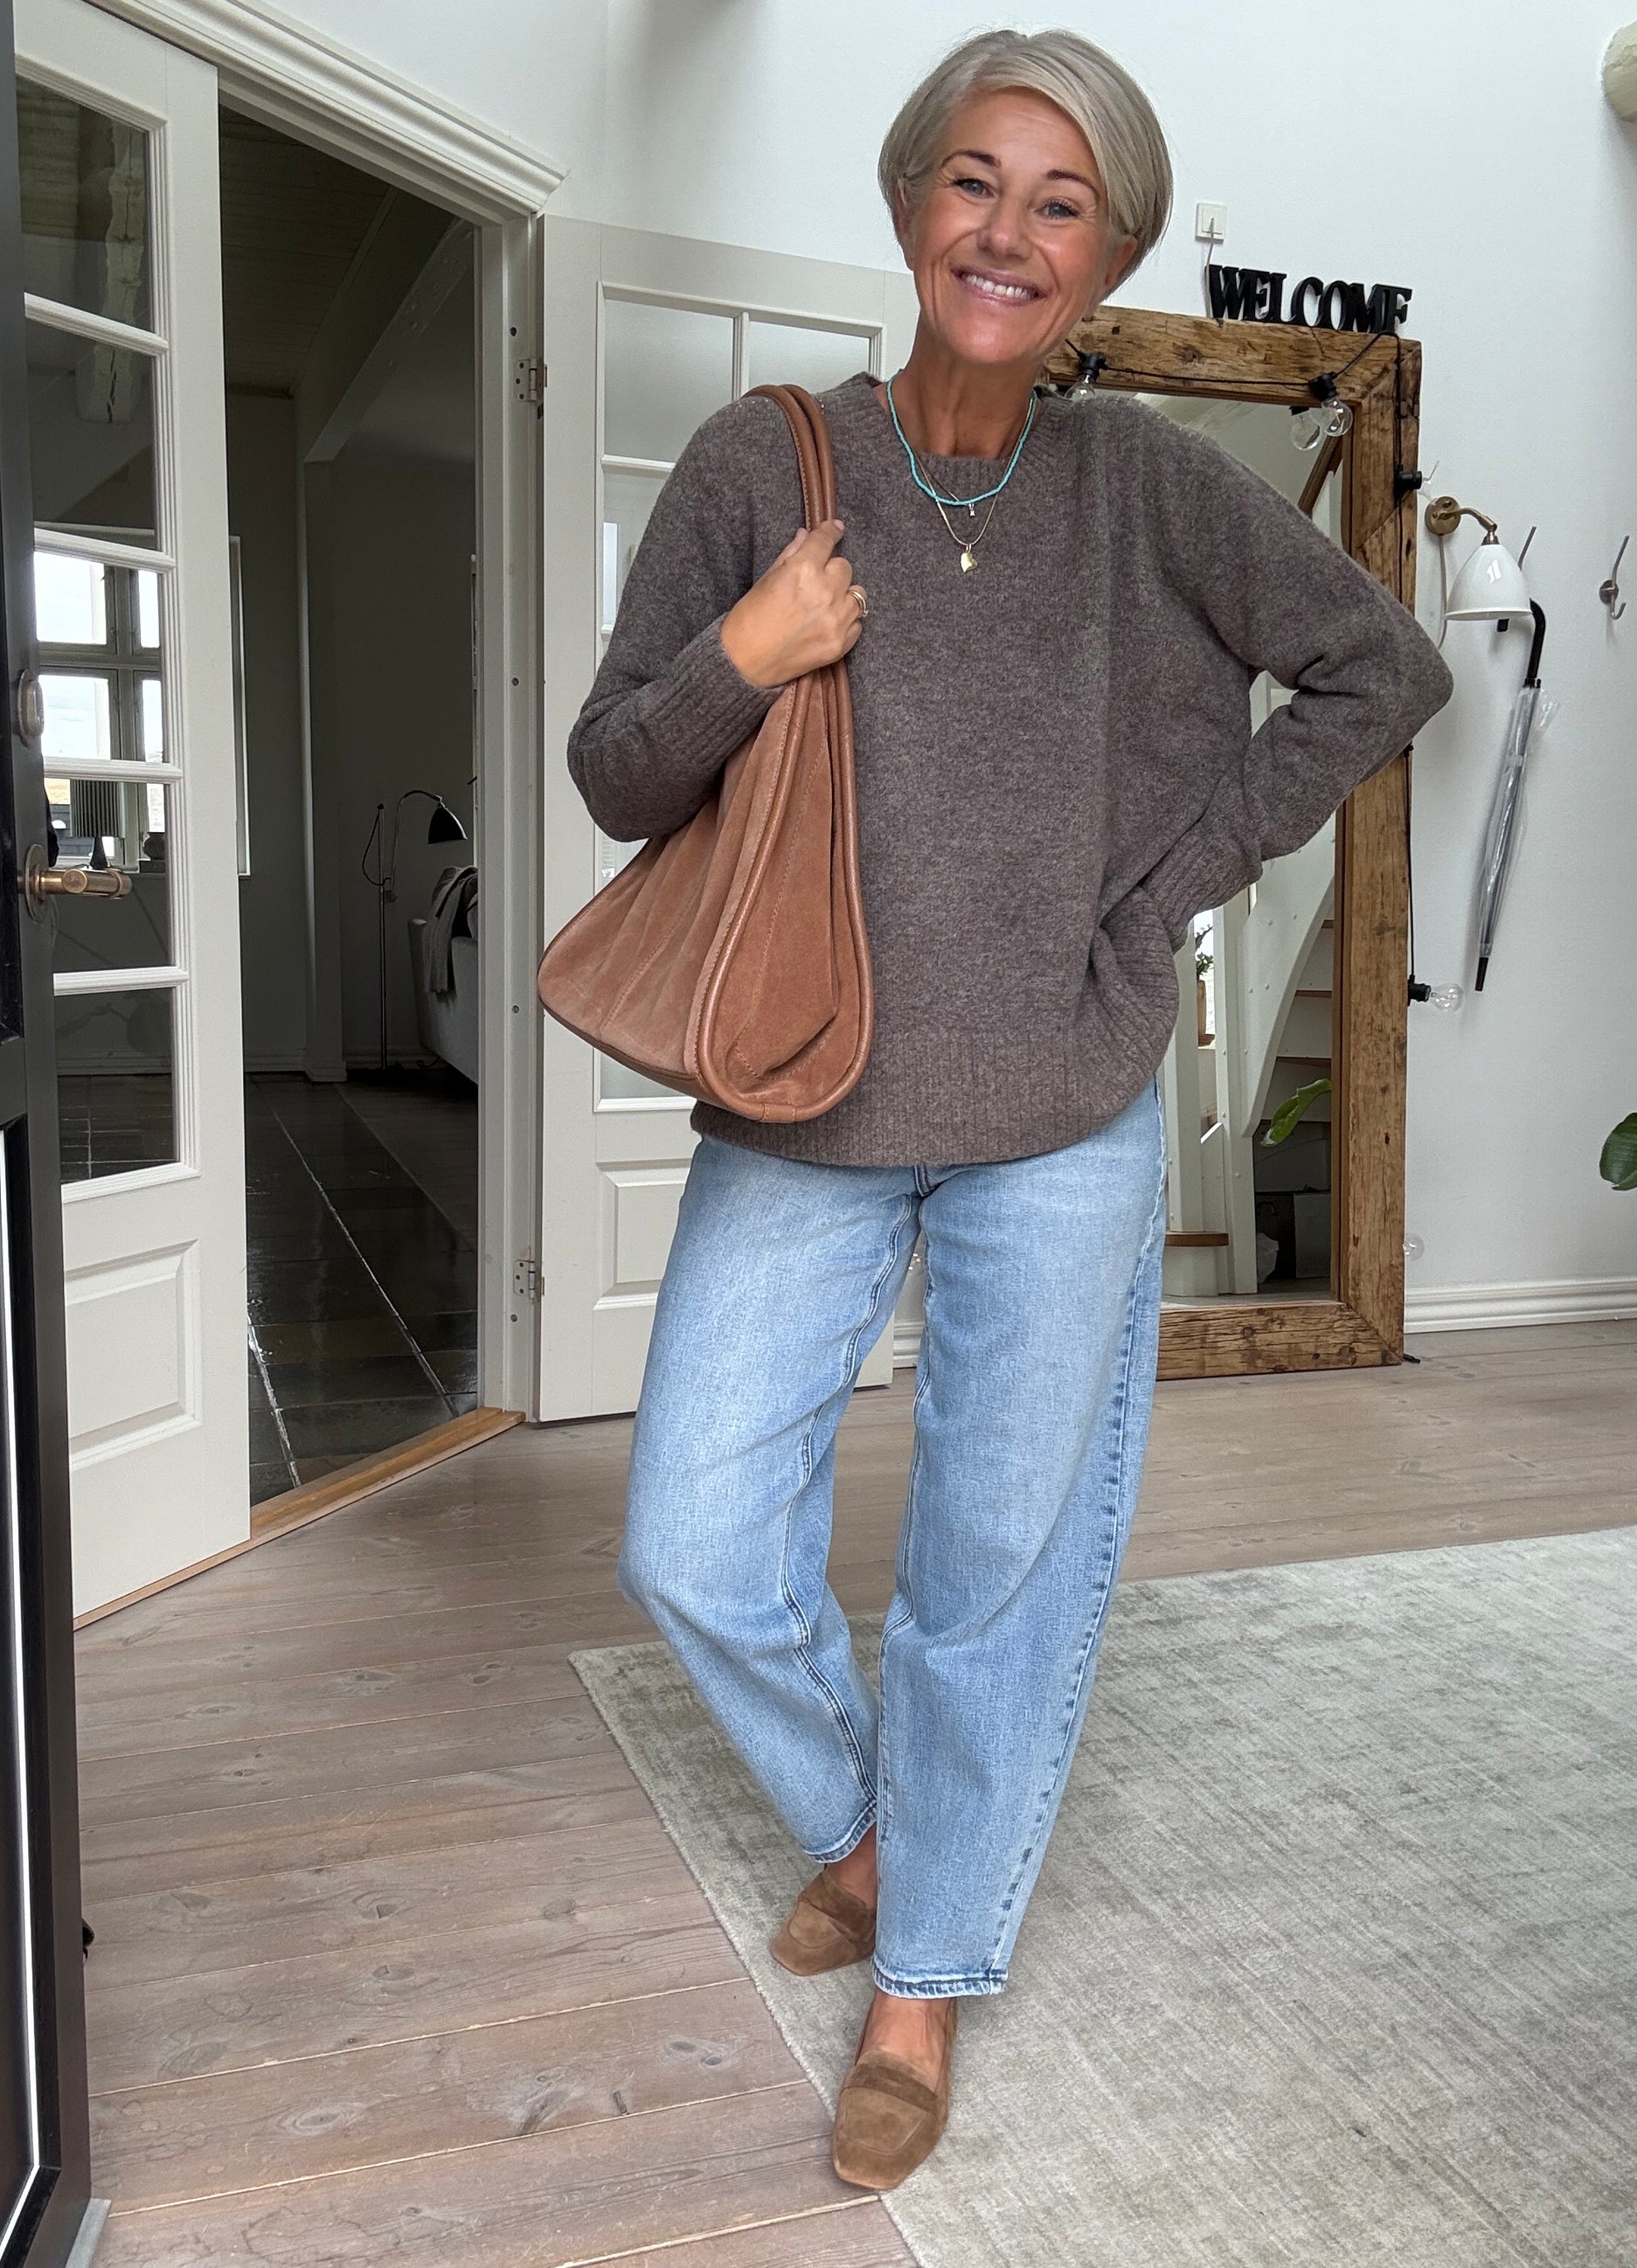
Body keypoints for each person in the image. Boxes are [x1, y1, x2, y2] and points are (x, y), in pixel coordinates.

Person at [567, 26, 1453, 2191]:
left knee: (991, 1571)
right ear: (909, 204)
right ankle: (877, 1829)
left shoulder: (1142, 486)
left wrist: (1159, 889)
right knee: (692, 1541)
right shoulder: (759, 463)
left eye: (1064, 206)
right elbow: (613, 773)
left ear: (1109, 258)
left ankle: (922, 1973)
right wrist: (751, 650)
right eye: (976, 181)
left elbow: (1381, 669)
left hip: (1058, 1105)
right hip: (804, 1092)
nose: (1009, 233)